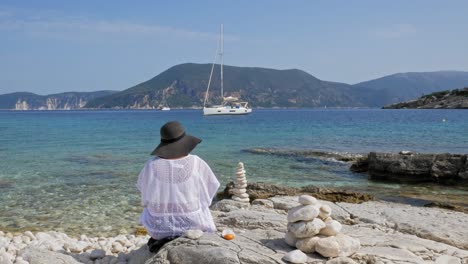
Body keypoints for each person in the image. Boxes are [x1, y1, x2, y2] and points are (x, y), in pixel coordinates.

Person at [136, 121, 220, 253]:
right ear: (185, 143)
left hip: (158, 228)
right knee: (202, 205)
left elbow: (143, 192)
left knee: (148, 208)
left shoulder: (151, 165)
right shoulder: (197, 162)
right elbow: (212, 187)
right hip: (194, 224)